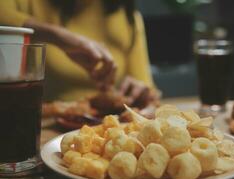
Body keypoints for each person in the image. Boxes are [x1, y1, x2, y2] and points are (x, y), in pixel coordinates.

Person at [0, 0, 157, 105]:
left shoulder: (128, 17)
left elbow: (148, 90)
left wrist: (143, 94)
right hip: (42, 126)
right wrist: (57, 35)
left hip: (108, 128)